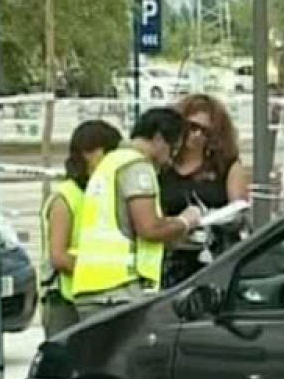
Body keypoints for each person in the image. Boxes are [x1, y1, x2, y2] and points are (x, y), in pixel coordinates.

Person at [70, 107, 201, 318]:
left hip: (93, 287)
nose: (170, 160)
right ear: (159, 138)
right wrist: (186, 221)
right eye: (173, 150)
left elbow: (123, 223)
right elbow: (148, 228)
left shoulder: (111, 162)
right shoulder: (137, 166)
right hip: (118, 289)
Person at [40, 120, 122, 337]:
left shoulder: (103, 193)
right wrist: (103, 271)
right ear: (88, 153)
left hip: (97, 298)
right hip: (65, 303)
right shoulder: (66, 197)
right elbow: (58, 255)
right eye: (108, 153)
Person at [159, 94, 250, 287]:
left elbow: (240, 212)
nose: (197, 135)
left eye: (206, 131)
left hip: (214, 258)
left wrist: (212, 218)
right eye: (192, 127)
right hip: (169, 258)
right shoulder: (163, 166)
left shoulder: (227, 166)